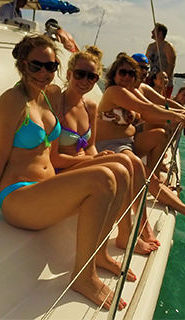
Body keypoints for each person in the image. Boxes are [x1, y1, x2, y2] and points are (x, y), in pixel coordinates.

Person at [0, 34, 130, 310]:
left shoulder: (47, 98)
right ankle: (83, 276)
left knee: (121, 168)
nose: (44, 73)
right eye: (37, 66)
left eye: (51, 67)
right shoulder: (12, 101)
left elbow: (51, 156)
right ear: (23, 64)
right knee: (104, 177)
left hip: (46, 189)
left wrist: (93, 160)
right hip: (19, 197)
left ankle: (97, 253)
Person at [47, 46, 159, 262]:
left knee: (129, 163)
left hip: (81, 164)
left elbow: (90, 147)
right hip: (61, 168)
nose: (85, 80)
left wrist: (97, 156)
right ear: (69, 74)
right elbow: (54, 158)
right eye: (80, 74)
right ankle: (127, 235)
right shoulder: (56, 103)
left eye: (92, 76)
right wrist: (94, 159)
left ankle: (127, 234)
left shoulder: (90, 106)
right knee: (121, 164)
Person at [97, 53, 185, 227]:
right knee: (141, 171)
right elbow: (146, 109)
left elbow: (159, 103)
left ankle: (152, 179)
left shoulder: (132, 91)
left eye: (131, 73)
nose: (127, 77)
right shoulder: (114, 91)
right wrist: (180, 116)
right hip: (110, 145)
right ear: (114, 74)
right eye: (122, 72)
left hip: (129, 142)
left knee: (159, 135)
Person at [146, 23, 176, 98]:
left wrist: (164, 81)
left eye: (154, 30)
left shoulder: (167, 46)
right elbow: (146, 62)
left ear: (160, 33)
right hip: (152, 79)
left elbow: (171, 65)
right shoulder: (150, 46)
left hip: (164, 82)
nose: (151, 32)